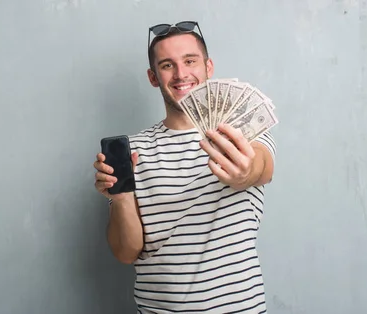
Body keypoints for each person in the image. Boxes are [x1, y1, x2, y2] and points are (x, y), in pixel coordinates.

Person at [93, 21, 277, 314]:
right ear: (153, 77)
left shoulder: (245, 131)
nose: (181, 74)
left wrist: (244, 172)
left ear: (208, 67)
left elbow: (261, 167)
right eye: (167, 65)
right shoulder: (132, 151)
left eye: (190, 61)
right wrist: (121, 197)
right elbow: (126, 253)